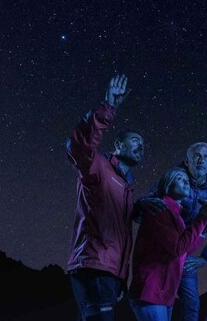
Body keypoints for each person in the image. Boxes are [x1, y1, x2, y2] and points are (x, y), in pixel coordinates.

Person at [66, 74, 142, 320]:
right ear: (118, 145)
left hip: (109, 272)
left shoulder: (126, 188)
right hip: (93, 266)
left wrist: (122, 276)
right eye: (135, 141)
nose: (141, 146)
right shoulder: (99, 167)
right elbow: (78, 146)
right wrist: (108, 107)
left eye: (143, 143)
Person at [137, 142, 207, 321]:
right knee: (163, 299)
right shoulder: (172, 181)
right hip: (164, 250)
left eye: (206, 157)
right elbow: (148, 206)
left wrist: (205, 257)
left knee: (192, 304)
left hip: (187, 253)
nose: (201, 160)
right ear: (187, 161)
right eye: (196, 156)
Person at [128, 167, 207, 321]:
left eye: (187, 180)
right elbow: (177, 248)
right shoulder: (160, 209)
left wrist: (202, 232)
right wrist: (200, 220)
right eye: (180, 178)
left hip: (163, 292)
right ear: (167, 185)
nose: (186, 182)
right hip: (151, 291)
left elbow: (183, 251)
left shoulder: (176, 216)